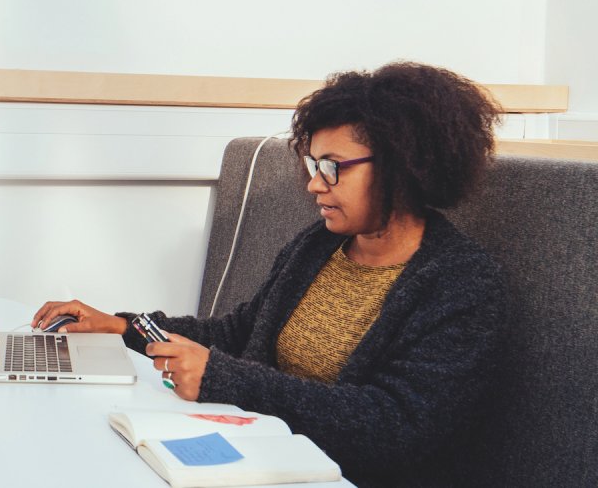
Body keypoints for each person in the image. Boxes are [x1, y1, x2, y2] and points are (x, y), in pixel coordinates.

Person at [32, 61, 506, 487]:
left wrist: (224, 380)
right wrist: (124, 326)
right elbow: (237, 332)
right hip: (261, 453)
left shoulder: (462, 284)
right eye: (312, 164)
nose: (314, 183)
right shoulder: (319, 246)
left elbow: (393, 427)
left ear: (404, 166)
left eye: (333, 167)